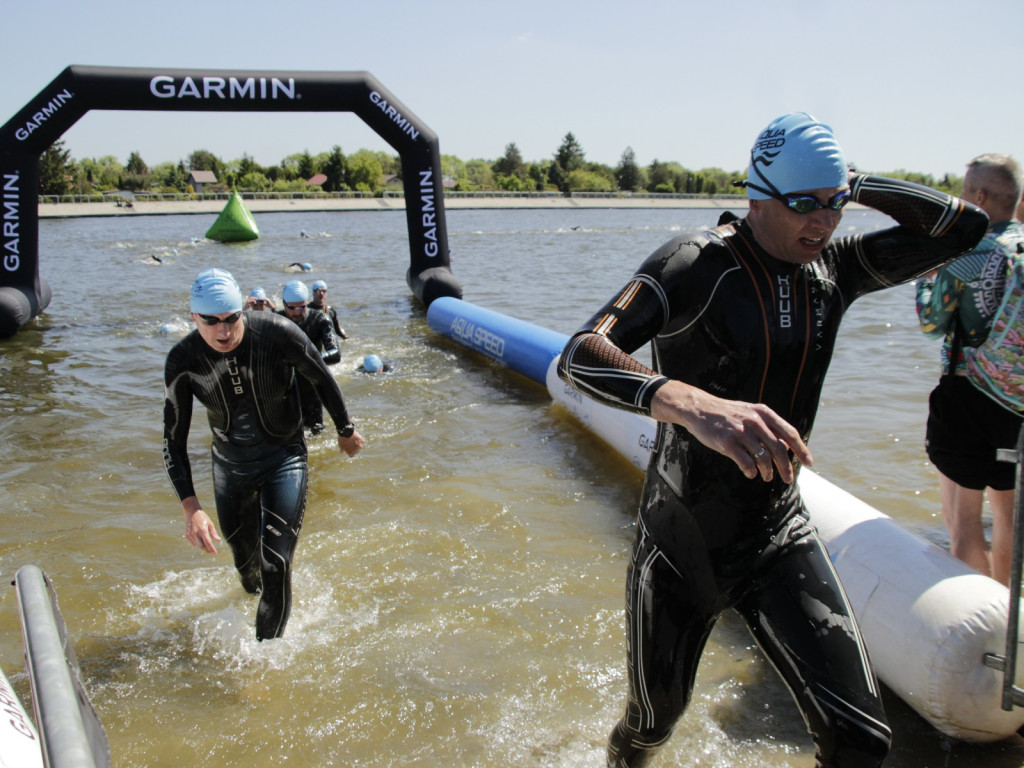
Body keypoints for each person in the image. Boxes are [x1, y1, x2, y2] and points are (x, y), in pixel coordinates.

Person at [557, 112, 988, 768]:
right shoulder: (697, 263)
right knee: (652, 723)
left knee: (862, 742)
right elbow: (582, 353)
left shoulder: (837, 269)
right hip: (682, 541)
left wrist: (852, 184)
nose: (823, 224)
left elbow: (965, 226)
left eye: (834, 205)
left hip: (778, 535)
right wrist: (690, 403)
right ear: (758, 195)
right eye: (802, 206)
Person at [162, 268, 364, 641]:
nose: (223, 331)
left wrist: (345, 430)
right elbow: (173, 442)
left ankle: (265, 661)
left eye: (231, 319)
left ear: (242, 311)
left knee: (276, 563)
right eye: (211, 321)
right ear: (194, 317)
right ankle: (263, 606)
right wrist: (191, 508)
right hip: (230, 468)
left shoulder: (276, 333)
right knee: (247, 567)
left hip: (283, 459)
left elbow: (322, 377)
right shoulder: (183, 360)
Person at [916, 154, 1024, 586]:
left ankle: (976, 637)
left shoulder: (970, 253)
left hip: (970, 398)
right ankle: (1007, 621)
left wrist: (926, 272)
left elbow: (931, 324)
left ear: (979, 197)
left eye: (965, 192)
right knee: (1009, 519)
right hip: (1017, 399)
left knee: (963, 523)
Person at [278, 279, 342, 434]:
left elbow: (335, 353)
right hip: (283, 384)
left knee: (315, 430)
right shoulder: (275, 320)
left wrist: (305, 359)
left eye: (302, 307)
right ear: (284, 304)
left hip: (311, 382)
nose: (297, 312)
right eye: (292, 308)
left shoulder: (320, 319)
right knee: (284, 431)